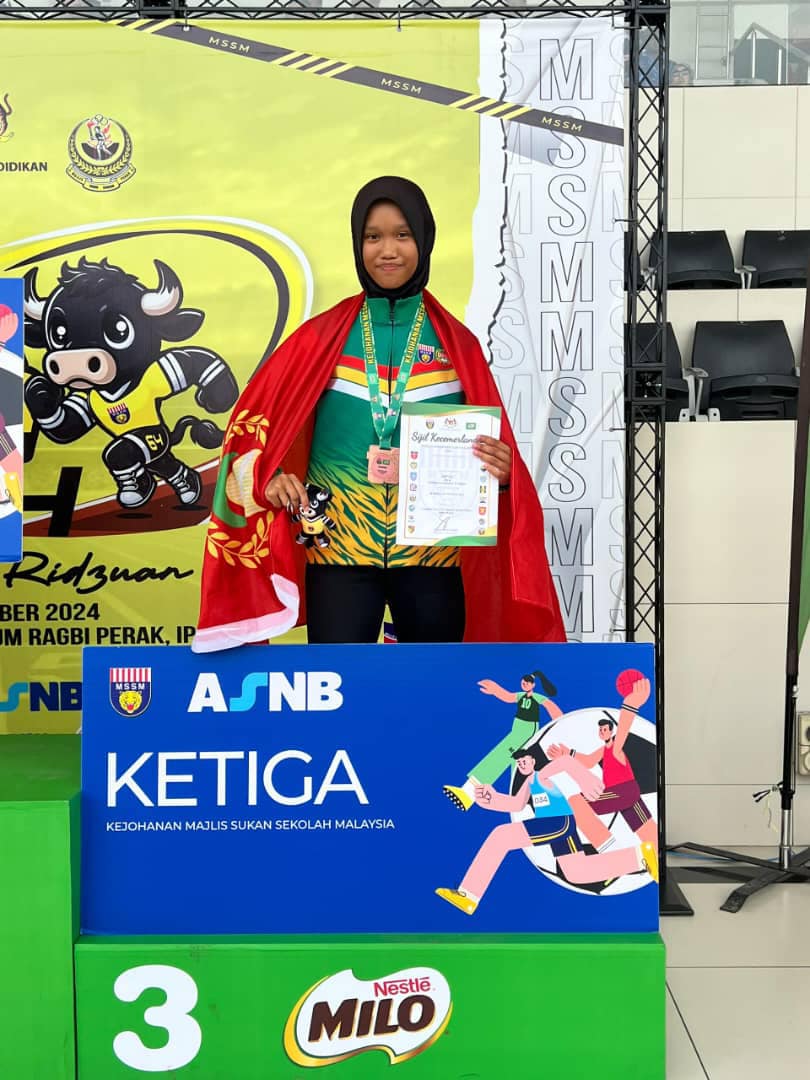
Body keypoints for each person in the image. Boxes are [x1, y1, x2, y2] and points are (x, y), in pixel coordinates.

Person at [193, 176, 564, 651]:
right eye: (373, 237)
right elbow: (250, 433)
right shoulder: (319, 339)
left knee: (431, 691)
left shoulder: (458, 345)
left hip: (434, 559)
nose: (388, 250)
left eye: (402, 235)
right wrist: (268, 477)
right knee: (338, 691)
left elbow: (495, 463)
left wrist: (505, 475)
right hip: (337, 555)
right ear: (358, 244)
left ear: (424, 241)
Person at [436, 744, 658, 917]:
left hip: (557, 822)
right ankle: (640, 856)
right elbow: (515, 805)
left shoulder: (541, 775)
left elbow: (564, 762)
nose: (522, 764)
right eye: (519, 762)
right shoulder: (528, 783)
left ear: (533, 761)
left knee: (501, 836)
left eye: (525, 760)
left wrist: (584, 777)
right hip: (560, 824)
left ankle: (469, 894)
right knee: (576, 872)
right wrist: (490, 800)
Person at [547, 676, 657, 857]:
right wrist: (567, 754)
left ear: (611, 731)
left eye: (605, 729)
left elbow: (623, 731)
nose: (602, 732)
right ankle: (654, 861)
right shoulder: (604, 750)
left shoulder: (616, 748)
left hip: (622, 791)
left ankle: (610, 851)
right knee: (648, 831)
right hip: (628, 794)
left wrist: (630, 706)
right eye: (600, 730)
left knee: (577, 801)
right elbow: (589, 761)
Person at [443, 669, 562, 811]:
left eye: (527, 683)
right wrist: (495, 690)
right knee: (517, 767)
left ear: (533, 685)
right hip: (517, 729)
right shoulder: (520, 696)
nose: (524, 685)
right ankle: (523, 803)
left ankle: (468, 792)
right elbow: (508, 696)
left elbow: (551, 706)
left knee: (499, 757)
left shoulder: (537, 697)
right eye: (523, 683)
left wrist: (560, 724)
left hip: (525, 732)